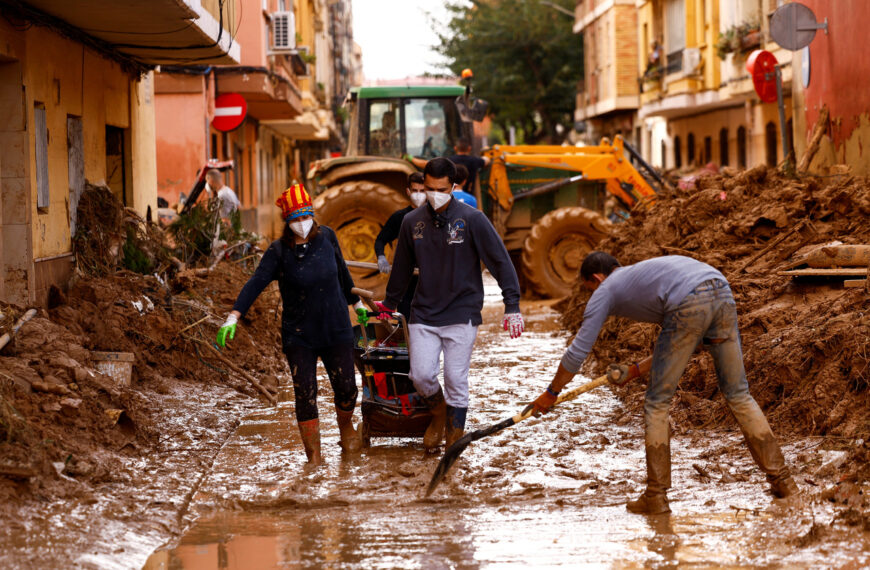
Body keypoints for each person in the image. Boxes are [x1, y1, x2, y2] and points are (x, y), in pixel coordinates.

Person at [530, 252, 799, 514]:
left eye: (589, 288)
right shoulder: (647, 275)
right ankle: (783, 481)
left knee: (656, 403)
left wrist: (551, 392)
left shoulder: (606, 289)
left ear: (597, 278)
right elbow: (688, 339)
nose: (592, 295)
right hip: (720, 289)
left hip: (689, 300)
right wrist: (635, 371)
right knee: (739, 394)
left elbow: (577, 352)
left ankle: (656, 496)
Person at [374, 158, 524, 451]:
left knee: (456, 378)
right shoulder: (411, 222)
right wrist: (389, 304)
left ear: (453, 187)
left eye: (441, 189)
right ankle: (438, 413)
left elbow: (499, 261)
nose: (433, 194)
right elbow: (402, 268)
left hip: (461, 313)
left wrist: (512, 303)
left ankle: (454, 438)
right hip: (424, 313)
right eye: (428, 188)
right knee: (421, 375)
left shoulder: (472, 219)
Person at [215, 184, 366, 468]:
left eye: (306, 216)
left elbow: (343, 275)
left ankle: (346, 427)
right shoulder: (278, 252)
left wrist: (357, 305)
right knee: (305, 392)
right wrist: (233, 315)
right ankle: (315, 457)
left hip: (336, 327)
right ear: (287, 221)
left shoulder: (328, 238)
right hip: (300, 334)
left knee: (347, 387)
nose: (302, 223)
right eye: (295, 219)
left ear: (313, 215)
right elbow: (256, 283)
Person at [374, 172, 426, 317]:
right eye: (415, 191)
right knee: (406, 318)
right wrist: (381, 256)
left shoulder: (435, 216)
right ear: (408, 191)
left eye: (422, 191)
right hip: (407, 279)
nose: (418, 195)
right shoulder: (400, 217)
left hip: (429, 278)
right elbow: (380, 240)